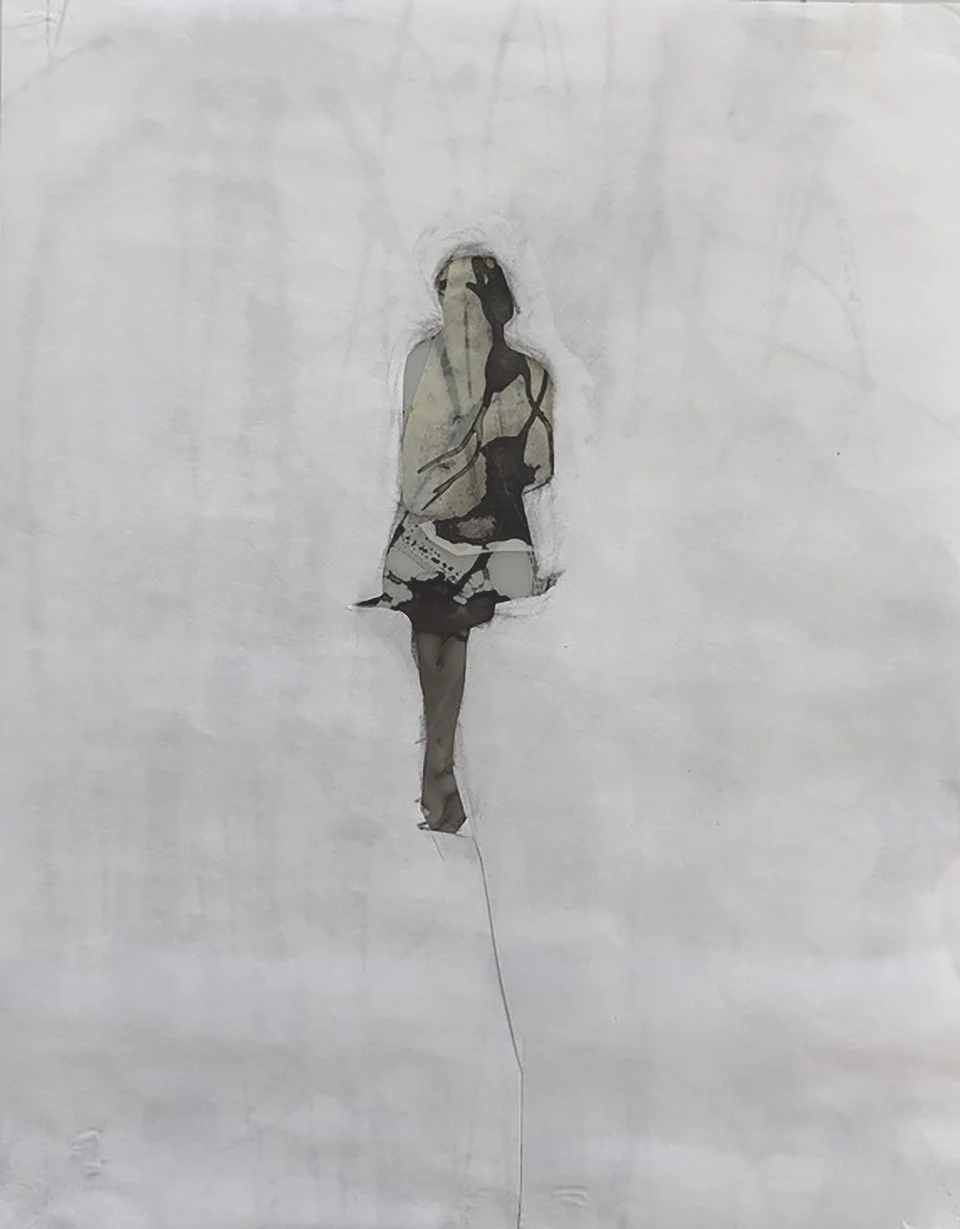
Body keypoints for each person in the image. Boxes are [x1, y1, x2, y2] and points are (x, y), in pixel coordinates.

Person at [359, 252, 556, 833]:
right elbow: (539, 469)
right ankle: (439, 775)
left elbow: (415, 478)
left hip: (448, 550)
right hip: (487, 550)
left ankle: (439, 775)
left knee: (439, 634)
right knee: (450, 631)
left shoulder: (430, 362)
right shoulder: (528, 375)